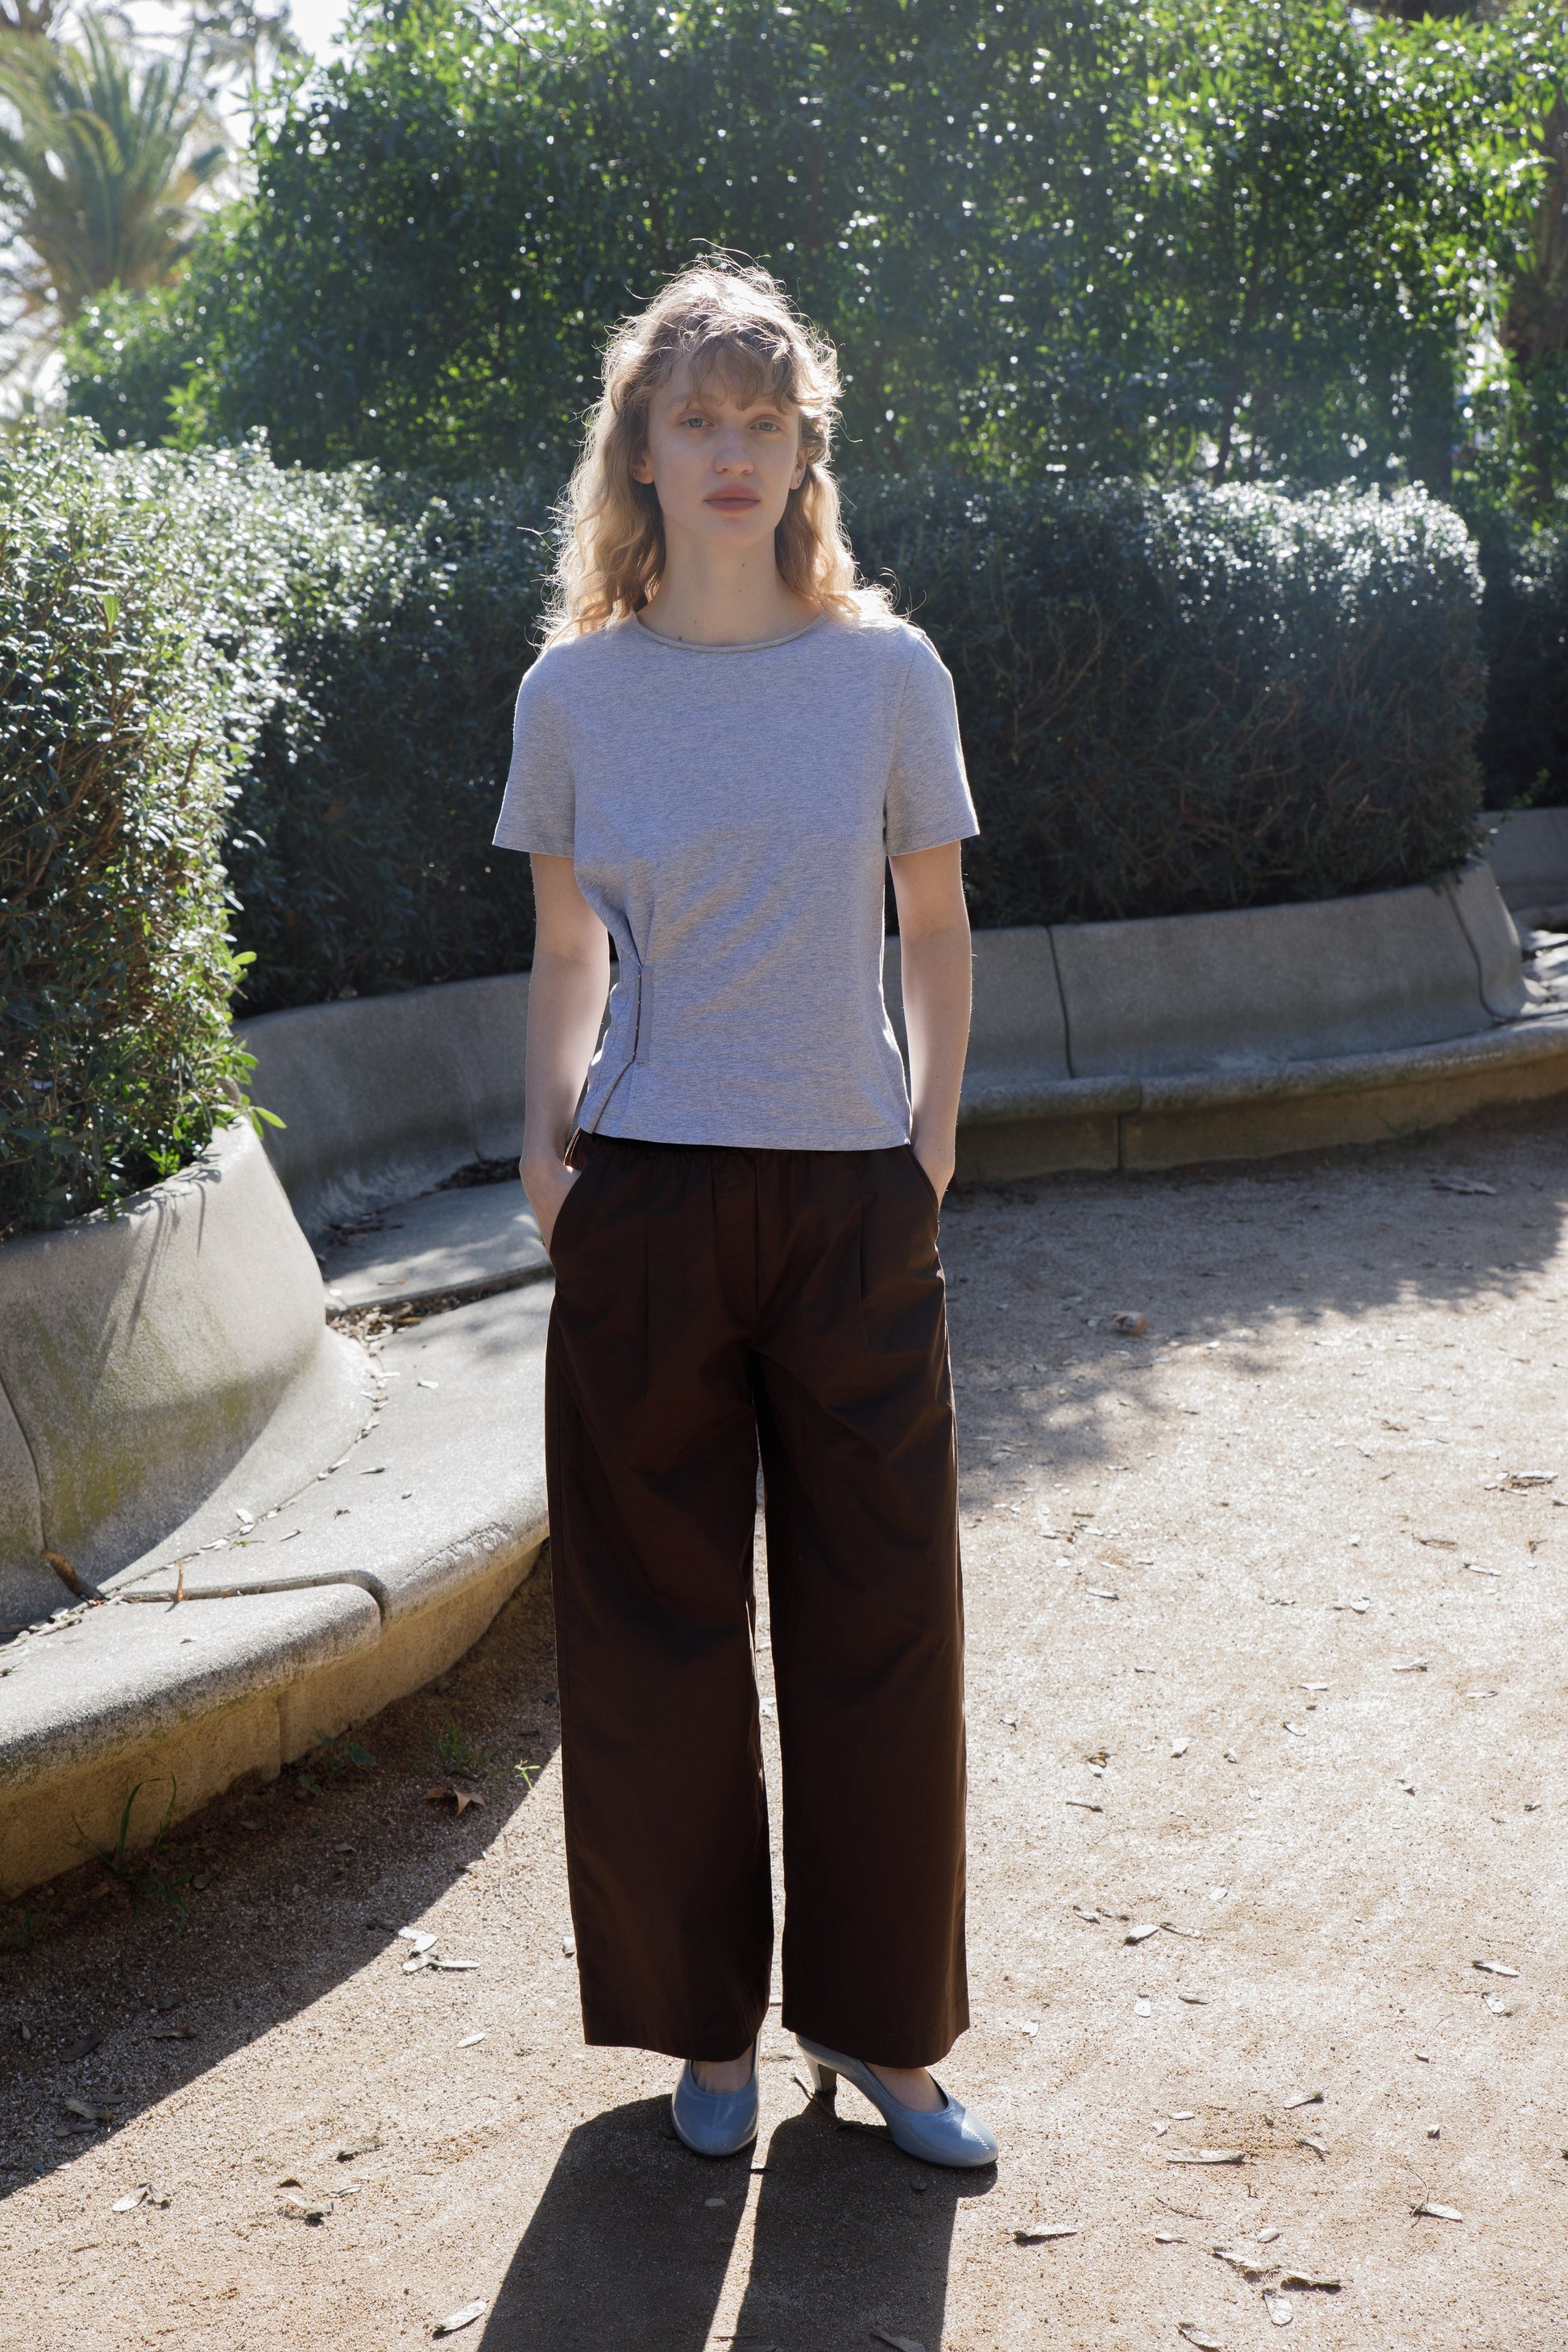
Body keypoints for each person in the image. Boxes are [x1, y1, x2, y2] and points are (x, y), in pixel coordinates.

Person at [496, 256, 996, 2171]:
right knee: (653, 1626)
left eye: (762, 422)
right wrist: (546, 1148)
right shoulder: (573, 691)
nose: (729, 453)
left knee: (885, 1622)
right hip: (641, 1204)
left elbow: (935, 928)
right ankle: (699, 2024)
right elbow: (560, 950)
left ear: (805, 454)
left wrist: (928, 1140)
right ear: (638, 443)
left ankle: (885, 2033)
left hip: (855, 1198)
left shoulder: (887, 673)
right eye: (695, 419)